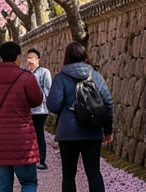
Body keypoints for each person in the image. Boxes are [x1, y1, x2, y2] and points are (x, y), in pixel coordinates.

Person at [47, 42, 115, 192]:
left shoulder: (60, 78)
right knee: (94, 172)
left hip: (68, 133)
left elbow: (53, 106)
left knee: (69, 174)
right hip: (92, 131)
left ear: (67, 57)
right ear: (85, 55)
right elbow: (108, 104)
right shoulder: (95, 76)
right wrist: (108, 130)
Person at [0, 42, 43, 192]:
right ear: (18, 57)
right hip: (23, 140)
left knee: (4, 186)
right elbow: (36, 101)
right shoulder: (26, 78)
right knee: (29, 182)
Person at [25, 48, 53, 171]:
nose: (30, 60)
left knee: (39, 135)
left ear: (38, 59)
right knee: (28, 136)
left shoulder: (44, 72)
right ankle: (29, 159)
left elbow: (48, 89)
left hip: (40, 110)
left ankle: (41, 160)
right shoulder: (25, 73)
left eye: (32, 57)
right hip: (27, 110)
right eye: (28, 57)